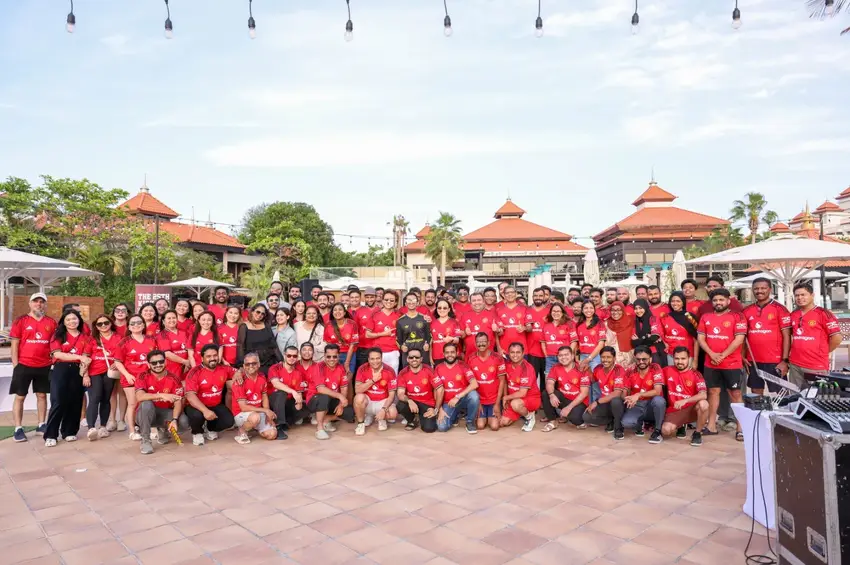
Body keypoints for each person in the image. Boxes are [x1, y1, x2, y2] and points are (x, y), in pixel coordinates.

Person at [697, 288, 747, 440]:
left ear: (728, 301)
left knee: (736, 394)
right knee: (713, 392)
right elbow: (701, 338)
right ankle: (711, 426)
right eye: (715, 300)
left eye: (721, 300)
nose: (718, 303)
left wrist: (722, 355)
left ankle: (741, 429)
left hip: (732, 363)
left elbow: (739, 339)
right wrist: (712, 354)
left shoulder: (738, 317)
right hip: (711, 363)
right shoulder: (706, 317)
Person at [9, 293, 57, 442]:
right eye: (36, 301)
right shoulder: (21, 321)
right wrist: (16, 365)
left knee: (42, 395)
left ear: (45, 305)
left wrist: (53, 361)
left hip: (44, 365)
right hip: (24, 364)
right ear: (30, 304)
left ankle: (41, 425)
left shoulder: (51, 322)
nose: (39, 304)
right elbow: (15, 344)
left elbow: (54, 343)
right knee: (20, 396)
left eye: (42, 302)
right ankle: (18, 428)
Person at [43, 310, 93, 447]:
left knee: (75, 401)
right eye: (68, 319)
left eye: (74, 319)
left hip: (78, 370)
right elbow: (58, 354)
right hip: (61, 369)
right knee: (58, 401)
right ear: (64, 322)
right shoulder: (58, 336)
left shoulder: (86, 337)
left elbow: (86, 357)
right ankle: (51, 434)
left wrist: (85, 373)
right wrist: (78, 357)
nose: (72, 322)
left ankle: (69, 431)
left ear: (79, 320)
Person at [787, 282, 842, 389]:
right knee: (795, 396)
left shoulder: (823, 314)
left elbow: (837, 338)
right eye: (797, 295)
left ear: (812, 295)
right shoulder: (793, 314)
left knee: (815, 396)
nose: (800, 298)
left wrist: (823, 351)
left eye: (803, 295)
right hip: (795, 364)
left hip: (816, 365)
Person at [112, 314, 158, 440]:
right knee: (133, 403)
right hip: (131, 377)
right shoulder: (124, 342)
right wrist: (127, 375)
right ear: (128, 326)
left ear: (143, 325)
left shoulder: (152, 339)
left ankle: (151, 428)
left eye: (139, 322)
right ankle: (132, 431)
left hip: (148, 377)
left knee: (149, 403)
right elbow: (118, 362)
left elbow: (156, 357)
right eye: (132, 323)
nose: (136, 325)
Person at [742, 278, 792, 394]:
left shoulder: (780, 309)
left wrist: (785, 360)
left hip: (775, 361)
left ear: (770, 289)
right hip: (753, 360)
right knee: (755, 393)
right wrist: (743, 356)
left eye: (763, 288)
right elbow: (744, 337)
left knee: (781, 395)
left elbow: (787, 336)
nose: (759, 291)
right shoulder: (747, 311)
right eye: (756, 288)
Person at [184, 344, 238, 446]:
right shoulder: (195, 372)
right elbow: (190, 396)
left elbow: (239, 371)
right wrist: (205, 411)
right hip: (196, 406)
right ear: (202, 358)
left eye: (215, 355)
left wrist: (238, 374)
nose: (212, 358)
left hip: (215, 404)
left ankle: (210, 428)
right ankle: (197, 432)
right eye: (208, 356)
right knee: (197, 416)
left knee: (229, 421)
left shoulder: (223, 368)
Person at [135, 350, 185, 455]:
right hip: (147, 413)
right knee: (146, 404)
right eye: (154, 363)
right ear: (148, 364)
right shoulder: (142, 376)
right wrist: (162, 395)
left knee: (184, 422)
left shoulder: (174, 378)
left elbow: (178, 401)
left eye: (161, 361)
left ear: (165, 362)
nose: (158, 365)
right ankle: (146, 440)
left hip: (165, 412)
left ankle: (163, 429)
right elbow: (139, 397)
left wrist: (174, 420)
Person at [662, 346, 709, 446]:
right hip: (675, 409)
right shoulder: (667, 370)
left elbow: (703, 395)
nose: (680, 362)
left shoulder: (696, 374)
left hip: (691, 409)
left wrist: (685, 401)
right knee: (666, 431)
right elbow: (652, 372)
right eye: (677, 358)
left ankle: (697, 433)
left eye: (683, 358)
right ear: (673, 358)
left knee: (704, 404)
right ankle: (681, 425)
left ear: (689, 359)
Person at [305, 344, 352, 440]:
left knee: (350, 412)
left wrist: (340, 404)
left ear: (338, 356)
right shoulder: (318, 367)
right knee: (324, 397)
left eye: (334, 356)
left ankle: (326, 419)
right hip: (315, 399)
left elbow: (344, 388)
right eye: (328, 356)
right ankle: (320, 428)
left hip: (332, 399)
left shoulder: (341, 368)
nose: (331, 359)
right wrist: (340, 396)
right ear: (324, 356)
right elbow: (321, 389)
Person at [621, 346, 666, 444]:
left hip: (651, 404)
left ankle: (657, 431)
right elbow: (624, 393)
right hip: (637, 405)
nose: (641, 362)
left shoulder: (655, 368)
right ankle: (641, 423)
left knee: (659, 400)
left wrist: (638, 395)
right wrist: (627, 399)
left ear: (650, 359)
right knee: (626, 423)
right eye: (638, 359)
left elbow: (658, 391)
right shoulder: (630, 371)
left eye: (644, 359)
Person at [86, 314, 121, 440]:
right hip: (94, 372)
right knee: (94, 398)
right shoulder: (92, 339)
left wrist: (117, 363)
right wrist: (85, 375)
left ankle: (103, 426)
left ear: (111, 323)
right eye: (100, 324)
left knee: (106, 399)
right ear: (96, 326)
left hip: (110, 372)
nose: (103, 325)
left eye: (106, 322)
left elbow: (123, 354)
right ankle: (91, 428)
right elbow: (86, 357)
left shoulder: (118, 338)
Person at [231, 352, 278, 444]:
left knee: (272, 434)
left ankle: (255, 427)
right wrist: (265, 411)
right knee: (255, 417)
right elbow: (243, 407)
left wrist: (267, 413)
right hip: (242, 413)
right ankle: (242, 431)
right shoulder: (239, 381)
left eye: (254, 363)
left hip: (258, 411)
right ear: (244, 366)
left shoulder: (262, 377)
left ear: (259, 364)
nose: (251, 366)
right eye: (247, 364)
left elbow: (264, 396)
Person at [542, 346, 590, 432]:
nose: (563, 357)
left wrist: (569, 408)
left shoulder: (581, 368)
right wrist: (552, 395)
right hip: (564, 399)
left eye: (566, 355)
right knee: (546, 393)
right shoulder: (556, 367)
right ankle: (553, 421)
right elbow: (549, 383)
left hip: (578, 402)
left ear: (572, 356)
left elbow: (584, 393)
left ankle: (571, 416)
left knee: (575, 419)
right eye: (560, 355)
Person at [435, 343, 480, 433]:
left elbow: (474, 384)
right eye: (447, 352)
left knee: (474, 396)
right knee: (442, 427)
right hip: (448, 403)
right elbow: (436, 390)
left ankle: (470, 422)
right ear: (443, 354)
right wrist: (439, 409)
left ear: (457, 353)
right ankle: (455, 415)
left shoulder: (464, 366)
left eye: (452, 352)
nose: (450, 355)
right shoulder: (438, 368)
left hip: (462, 399)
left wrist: (457, 397)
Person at [584, 346, 628, 439]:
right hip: (605, 402)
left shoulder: (619, 370)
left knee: (615, 401)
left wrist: (596, 402)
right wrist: (588, 370)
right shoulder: (598, 368)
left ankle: (618, 427)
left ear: (614, 358)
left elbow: (617, 393)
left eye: (608, 357)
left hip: (619, 403)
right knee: (587, 417)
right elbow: (593, 380)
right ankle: (610, 421)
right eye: (603, 357)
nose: (605, 360)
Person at [352, 348, 398, 435]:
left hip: (382, 401)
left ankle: (381, 418)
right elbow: (357, 390)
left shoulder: (389, 370)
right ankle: (361, 423)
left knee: (393, 414)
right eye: (372, 359)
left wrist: (383, 410)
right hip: (368, 401)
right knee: (358, 398)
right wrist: (373, 380)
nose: (375, 361)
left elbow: (392, 396)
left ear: (381, 358)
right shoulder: (362, 368)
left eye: (378, 358)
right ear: (368, 359)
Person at [466, 333, 506, 431]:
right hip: (481, 400)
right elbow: (470, 383)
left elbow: (502, 381)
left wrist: (497, 403)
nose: (481, 344)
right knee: (480, 426)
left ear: (488, 343)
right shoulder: (471, 359)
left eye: (484, 341)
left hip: (494, 400)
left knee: (494, 427)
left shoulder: (498, 358)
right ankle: (485, 416)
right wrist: (477, 403)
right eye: (478, 342)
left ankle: (491, 415)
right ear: (475, 344)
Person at [268, 345, 310, 437]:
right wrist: (292, 391)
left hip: (287, 402)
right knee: (281, 393)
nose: (291, 358)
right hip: (273, 401)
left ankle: (286, 422)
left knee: (306, 408)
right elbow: (276, 384)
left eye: (294, 356)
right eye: (289, 355)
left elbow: (299, 393)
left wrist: (299, 403)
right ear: (284, 355)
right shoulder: (275, 368)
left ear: (297, 357)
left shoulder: (298, 373)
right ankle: (279, 426)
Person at [396, 349, 442, 433]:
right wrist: (409, 401)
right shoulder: (403, 373)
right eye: (411, 357)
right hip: (412, 403)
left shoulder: (429, 370)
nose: (414, 359)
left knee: (429, 429)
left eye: (417, 357)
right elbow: (400, 394)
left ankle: (422, 417)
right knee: (400, 405)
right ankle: (413, 420)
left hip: (427, 403)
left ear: (421, 359)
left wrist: (436, 409)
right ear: (407, 359)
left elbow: (440, 389)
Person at [500, 342, 541, 432]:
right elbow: (506, 382)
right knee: (503, 422)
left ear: (523, 353)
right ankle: (520, 412)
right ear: (508, 353)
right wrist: (506, 396)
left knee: (515, 404)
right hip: (514, 398)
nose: (515, 355)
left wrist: (506, 397)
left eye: (518, 352)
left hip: (531, 398)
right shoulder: (508, 365)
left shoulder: (527, 368)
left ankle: (529, 417)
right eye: (512, 352)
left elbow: (522, 393)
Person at [238, 304, 281, 374]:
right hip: (252, 365)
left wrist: (281, 361)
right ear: (252, 311)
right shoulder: (244, 326)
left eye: (262, 314)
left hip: (269, 363)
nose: (260, 315)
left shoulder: (266, 325)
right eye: (258, 312)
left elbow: (274, 346)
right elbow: (240, 347)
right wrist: (241, 365)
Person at [365, 290, 402, 372]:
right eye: (386, 299)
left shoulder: (399, 316)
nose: (389, 302)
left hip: (393, 352)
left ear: (395, 302)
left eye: (392, 300)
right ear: (382, 300)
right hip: (378, 352)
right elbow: (367, 334)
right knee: (378, 376)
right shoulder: (375, 314)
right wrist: (383, 334)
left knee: (393, 376)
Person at [524, 287, 550, 400]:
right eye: (535, 296)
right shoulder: (527, 310)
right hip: (531, 351)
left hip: (547, 352)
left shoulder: (550, 311)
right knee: (532, 378)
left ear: (544, 297)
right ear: (532, 297)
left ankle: (545, 402)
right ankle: (533, 401)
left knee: (546, 379)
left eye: (540, 296)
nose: (538, 298)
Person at [661, 291, 698, 368]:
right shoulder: (665, 317)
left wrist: (695, 360)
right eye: (673, 301)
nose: (675, 303)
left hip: (687, 356)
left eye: (678, 301)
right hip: (670, 355)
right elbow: (661, 335)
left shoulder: (690, 317)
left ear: (683, 303)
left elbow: (696, 340)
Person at [397, 293, 431, 368]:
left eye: (414, 300)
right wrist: (401, 346)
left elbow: (429, 336)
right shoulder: (400, 321)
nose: (411, 302)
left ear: (417, 303)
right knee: (407, 372)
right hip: (407, 352)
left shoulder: (424, 318)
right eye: (409, 300)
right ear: (405, 303)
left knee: (424, 372)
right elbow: (398, 339)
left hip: (422, 352)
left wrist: (428, 344)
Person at [542, 303, 578, 373]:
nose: (556, 313)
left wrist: (568, 354)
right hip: (550, 358)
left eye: (558, 311)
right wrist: (546, 355)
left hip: (564, 358)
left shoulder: (569, 324)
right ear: (550, 312)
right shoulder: (546, 325)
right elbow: (543, 342)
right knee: (549, 378)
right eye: (554, 311)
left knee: (564, 378)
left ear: (562, 313)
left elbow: (574, 341)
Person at [575, 301, 606, 382]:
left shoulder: (600, 323)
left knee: (595, 382)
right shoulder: (579, 324)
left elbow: (601, 344)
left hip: (595, 357)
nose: (588, 310)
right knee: (584, 382)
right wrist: (577, 359)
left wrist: (589, 358)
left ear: (594, 310)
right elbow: (577, 344)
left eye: (591, 308)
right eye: (586, 308)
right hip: (582, 357)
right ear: (582, 310)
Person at [156, 310, 192, 380]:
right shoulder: (162, 335)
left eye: (174, 318)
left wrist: (188, 362)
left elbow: (190, 349)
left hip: (187, 368)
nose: (172, 320)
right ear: (163, 321)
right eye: (169, 318)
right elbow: (167, 354)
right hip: (172, 370)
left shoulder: (184, 332)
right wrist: (184, 362)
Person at [631, 298, 666, 367]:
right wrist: (647, 337)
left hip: (655, 353)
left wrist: (639, 340)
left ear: (645, 307)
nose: (638, 311)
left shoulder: (653, 319)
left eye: (640, 308)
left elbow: (654, 337)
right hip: (640, 355)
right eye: (636, 308)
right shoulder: (635, 322)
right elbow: (634, 343)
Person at [324, 303, 358, 370]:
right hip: (334, 355)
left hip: (349, 354)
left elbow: (352, 345)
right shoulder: (328, 325)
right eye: (335, 310)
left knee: (349, 375)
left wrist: (347, 362)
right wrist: (333, 357)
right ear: (332, 313)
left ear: (344, 312)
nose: (337, 312)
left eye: (340, 309)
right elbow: (328, 344)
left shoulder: (352, 324)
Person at [494, 286, 527, 356]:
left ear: (516, 294)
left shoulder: (524, 308)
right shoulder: (498, 310)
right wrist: (498, 347)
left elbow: (530, 328)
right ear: (503, 295)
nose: (510, 294)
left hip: (521, 349)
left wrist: (524, 328)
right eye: (507, 293)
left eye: (512, 292)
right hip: (504, 349)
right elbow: (496, 333)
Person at [430, 298, 462, 365]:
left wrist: (451, 339)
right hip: (437, 357)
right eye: (439, 308)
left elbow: (457, 340)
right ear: (436, 309)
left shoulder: (454, 322)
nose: (442, 310)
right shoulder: (432, 323)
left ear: (449, 309)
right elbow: (431, 342)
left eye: (444, 308)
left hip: (452, 356)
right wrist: (430, 357)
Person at [352, 287, 377, 372]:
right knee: (362, 371)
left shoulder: (380, 310)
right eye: (367, 297)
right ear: (364, 298)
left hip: (377, 347)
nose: (369, 299)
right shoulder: (359, 311)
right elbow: (355, 329)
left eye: (372, 297)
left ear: (376, 297)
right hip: (362, 347)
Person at [604, 301, 635, 368]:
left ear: (623, 310)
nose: (615, 312)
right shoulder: (606, 323)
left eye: (618, 310)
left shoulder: (631, 321)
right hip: (612, 356)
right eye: (613, 310)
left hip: (628, 356)